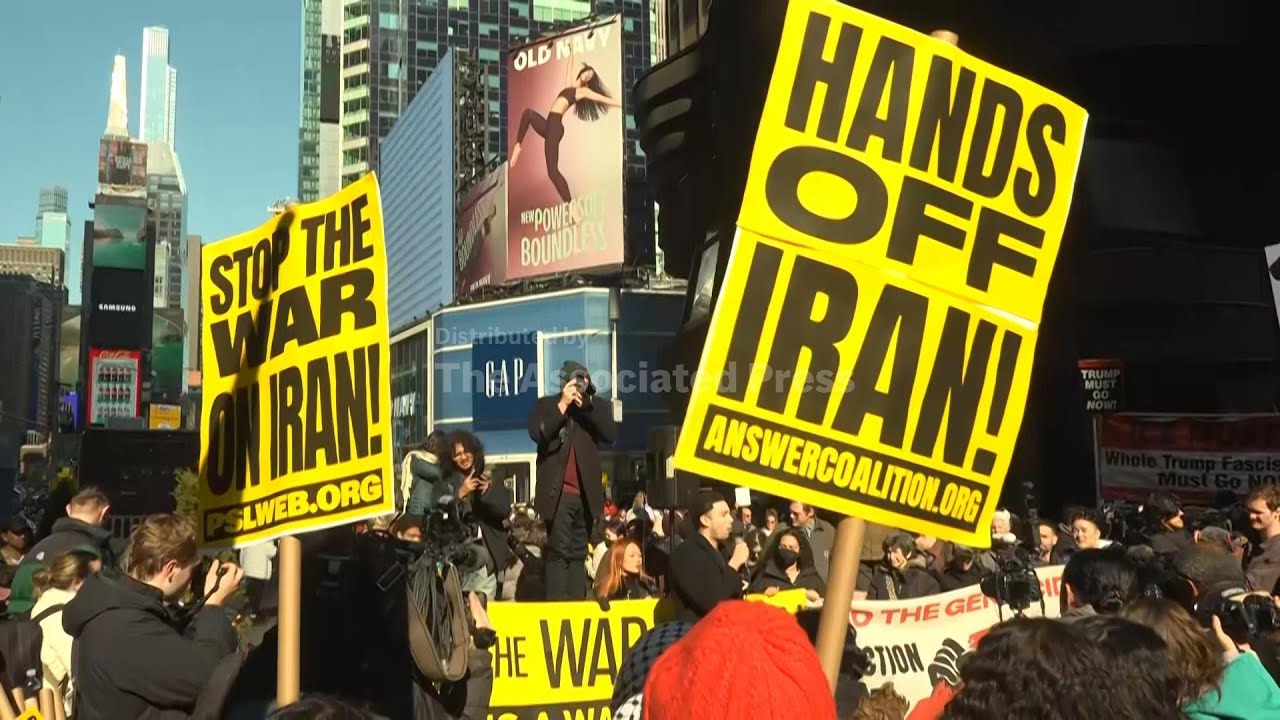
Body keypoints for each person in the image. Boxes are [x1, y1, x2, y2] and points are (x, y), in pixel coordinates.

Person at [63, 513, 243, 719]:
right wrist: (214, 606)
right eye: (193, 570)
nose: (191, 581)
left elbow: (179, 648)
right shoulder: (125, 627)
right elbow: (208, 679)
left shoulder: (122, 607)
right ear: (171, 569)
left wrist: (203, 604)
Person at [528, 361, 617, 600]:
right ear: (564, 382)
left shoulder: (594, 408)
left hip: (586, 496)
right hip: (558, 494)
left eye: (584, 382)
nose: (580, 387)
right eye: (576, 381)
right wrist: (563, 404)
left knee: (578, 552)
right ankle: (558, 608)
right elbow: (539, 432)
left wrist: (587, 406)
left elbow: (610, 434)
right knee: (558, 551)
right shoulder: (546, 405)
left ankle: (576, 605)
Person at [508, 54, 621, 213]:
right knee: (528, 113)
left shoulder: (583, 91)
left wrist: (619, 104)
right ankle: (518, 145)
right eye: (587, 72)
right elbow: (569, 70)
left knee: (552, 172)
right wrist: (571, 51)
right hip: (548, 125)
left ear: (589, 81)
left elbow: (600, 98)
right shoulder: (571, 87)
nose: (587, 75)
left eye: (590, 76)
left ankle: (571, 205)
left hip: (555, 126)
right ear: (583, 71)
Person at [10, 486, 114, 616]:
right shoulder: (91, 554)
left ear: (68, 510)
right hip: (65, 624)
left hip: (22, 623)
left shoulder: (38, 548)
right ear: (104, 512)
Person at [31, 549, 100, 717]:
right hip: (60, 710)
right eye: (98, 578)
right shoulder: (61, 618)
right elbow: (79, 670)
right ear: (77, 582)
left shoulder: (48, 605)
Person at [668, 492, 747, 623]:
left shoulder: (723, 551)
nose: (731, 519)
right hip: (699, 631)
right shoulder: (686, 554)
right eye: (723, 514)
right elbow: (713, 600)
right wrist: (734, 564)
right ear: (705, 520)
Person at [748, 528, 825, 600]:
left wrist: (818, 599)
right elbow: (750, 599)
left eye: (791, 547)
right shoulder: (765, 577)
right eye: (783, 547)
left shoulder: (812, 579)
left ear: (800, 550)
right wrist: (763, 594)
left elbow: (827, 603)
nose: (787, 550)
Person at [592, 538, 656, 603]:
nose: (638, 560)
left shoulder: (647, 584)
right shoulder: (608, 588)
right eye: (632, 556)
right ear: (619, 559)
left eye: (640, 556)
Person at [404, 430, 449, 517]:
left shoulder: (437, 462)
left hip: (433, 510)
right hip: (419, 511)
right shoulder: (418, 458)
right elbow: (436, 473)